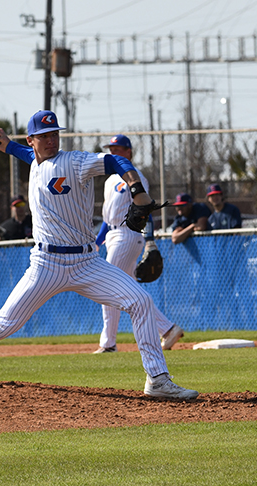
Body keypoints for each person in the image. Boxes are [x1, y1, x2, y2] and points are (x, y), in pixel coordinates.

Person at [0, 110, 199, 400]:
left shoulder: (75, 163)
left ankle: (157, 379)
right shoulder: (34, 159)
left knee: (141, 301)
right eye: (44, 135)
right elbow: (26, 155)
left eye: (54, 134)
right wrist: (5, 145)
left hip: (86, 263)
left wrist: (136, 189)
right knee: (3, 324)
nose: (51, 140)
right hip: (46, 265)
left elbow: (116, 162)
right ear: (32, 141)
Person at [93, 134, 184, 353]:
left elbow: (146, 208)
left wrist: (150, 240)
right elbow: (107, 219)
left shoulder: (135, 176)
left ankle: (108, 344)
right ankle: (168, 329)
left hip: (128, 234)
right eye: (110, 149)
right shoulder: (109, 181)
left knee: (107, 285)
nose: (113, 153)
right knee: (132, 292)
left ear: (128, 152)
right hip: (113, 236)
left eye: (117, 149)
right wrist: (97, 242)